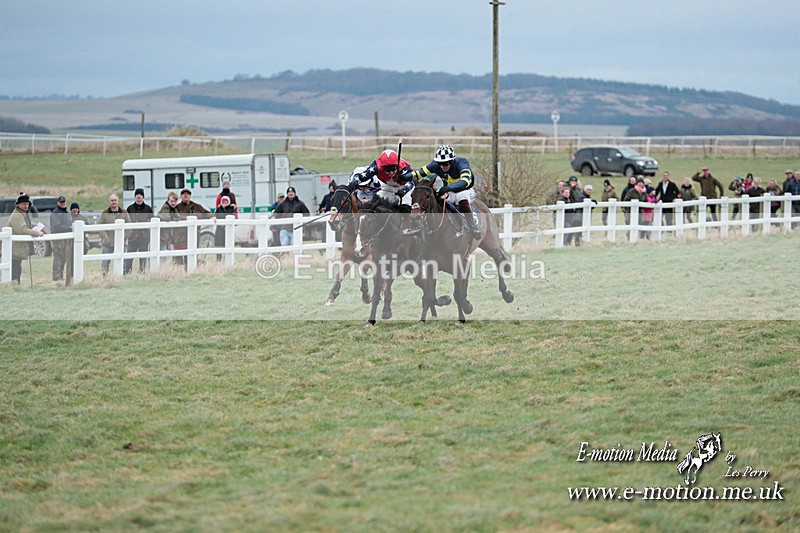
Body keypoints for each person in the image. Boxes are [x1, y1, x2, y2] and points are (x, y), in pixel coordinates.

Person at [404, 145, 480, 237]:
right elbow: (418, 173)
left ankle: (473, 225)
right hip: (449, 190)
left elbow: (465, 181)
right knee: (435, 200)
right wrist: (404, 177)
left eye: (445, 164)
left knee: (461, 198)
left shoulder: (462, 163)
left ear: (452, 161)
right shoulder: (435, 165)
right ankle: (421, 225)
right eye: (440, 163)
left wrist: (448, 188)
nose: (442, 167)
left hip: (466, 189)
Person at [351, 149, 414, 213]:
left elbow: (411, 182)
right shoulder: (376, 167)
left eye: (393, 169)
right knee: (369, 205)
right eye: (387, 170)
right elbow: (362, 177)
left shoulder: (404, 168)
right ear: (382, 167)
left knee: (406, 209)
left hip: (403, 188)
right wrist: (355, 179)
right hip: (387, 187)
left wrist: (404, 190)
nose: (391, 173)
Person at [7, 194, 44, 284]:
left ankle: (16, 285)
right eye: (24, 204)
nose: (26, 206)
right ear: (19, 204)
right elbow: (22, 230)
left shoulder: (21, 213)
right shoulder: (17, 215)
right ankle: (14, 285)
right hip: (14, 247)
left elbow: (24, 225)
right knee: (15, 268)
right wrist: (37, 233)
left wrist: (32, 225)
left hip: (17, 247)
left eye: (27, 204)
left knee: (17, 267)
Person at [174, 188, 214, 267]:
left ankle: (192, 269)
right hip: (180, 236)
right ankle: (178, 271)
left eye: (187, 194)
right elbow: (173, 216)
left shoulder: (196, 207)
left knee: (192, 255)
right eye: (184, 194)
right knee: (178, 257)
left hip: (194, 235)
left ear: (190, 196)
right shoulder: (177, 207)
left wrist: (212, 217)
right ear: (181, 196)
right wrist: (185, 218)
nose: (185, 195)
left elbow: (206, 213)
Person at [97, 194, 131, 276]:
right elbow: (100, 226)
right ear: (109, 202)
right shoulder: (104, 213)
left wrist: (124, 237)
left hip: (120, 242)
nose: (114, 202)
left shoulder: (124, 213)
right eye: (112, 200)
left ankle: (122, 276)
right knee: (105, 262)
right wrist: (105, 237)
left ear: (118, 201)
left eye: (115, 200)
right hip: (108, 242)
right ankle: (105, 277)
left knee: (122, 261)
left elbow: (129, 226)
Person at [125, 188, 154, 275]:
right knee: (129, 257)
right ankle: (127, 272)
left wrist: (148, 233)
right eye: (137, 194)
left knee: (143, 257)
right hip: (132, 237)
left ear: (143, 197)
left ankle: (142, 272)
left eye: (141, 195)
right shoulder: (129, 208)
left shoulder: (148, 209)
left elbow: (152, 220)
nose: (139, 196)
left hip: (143, 238)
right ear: (135, 196)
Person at [49, 195, 72, 282]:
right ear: (58, 203)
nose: (63, 204)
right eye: (61, 202)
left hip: (66, 238)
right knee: (58, 257)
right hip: (58, 238)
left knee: (64, 257)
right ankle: (56, 277)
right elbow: (56, 226)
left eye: (64, 202)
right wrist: (68, 228)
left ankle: (61, 276)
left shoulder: (66, 213)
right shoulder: (55, 213)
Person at [214, 194, 237, 261]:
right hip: (219, 229)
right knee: (219, 245)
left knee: (228, 244)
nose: (225, 203)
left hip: (228, 229)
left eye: (226, 202)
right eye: (223, 202)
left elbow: (234, 217)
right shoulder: (218, 209)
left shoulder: (231, 209)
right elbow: (216, 216)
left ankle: (227, 259)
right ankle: (218, 259)